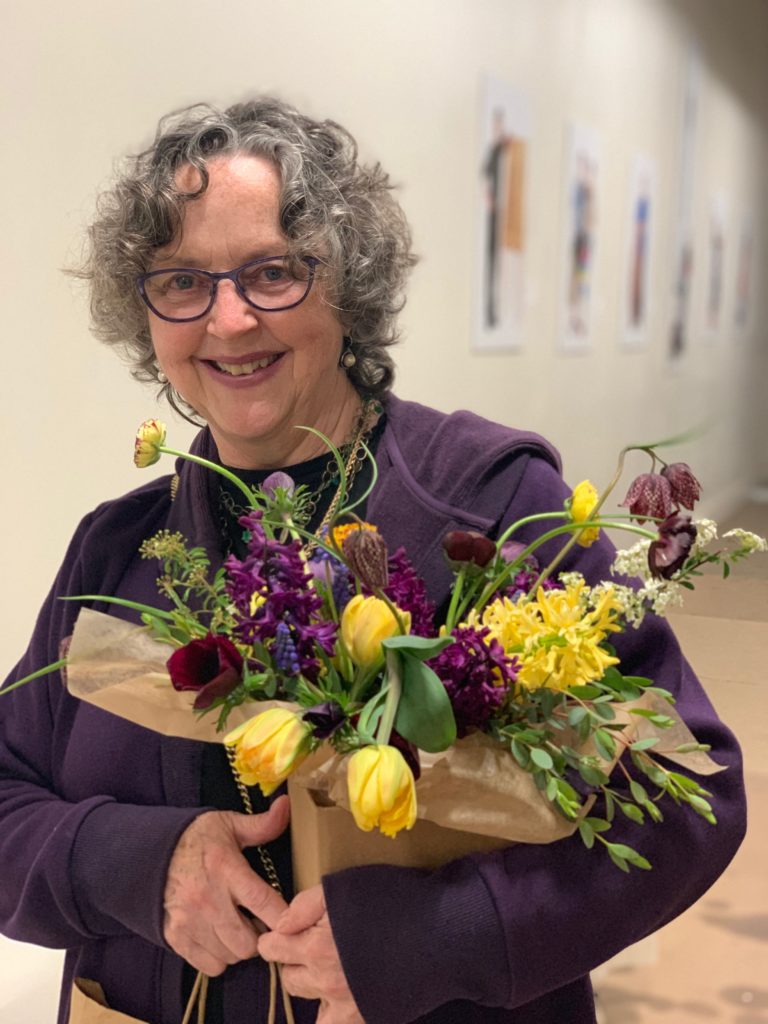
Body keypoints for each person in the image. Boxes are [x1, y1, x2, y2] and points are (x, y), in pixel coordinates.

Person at [0, 97, 746, 1024]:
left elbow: (686, 794)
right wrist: (135, 865)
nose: (228, 321)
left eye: (272, 272)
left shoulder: (494, 508)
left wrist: (440, 934)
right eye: (183, 282)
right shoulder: (116, 552)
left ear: (348, 281)